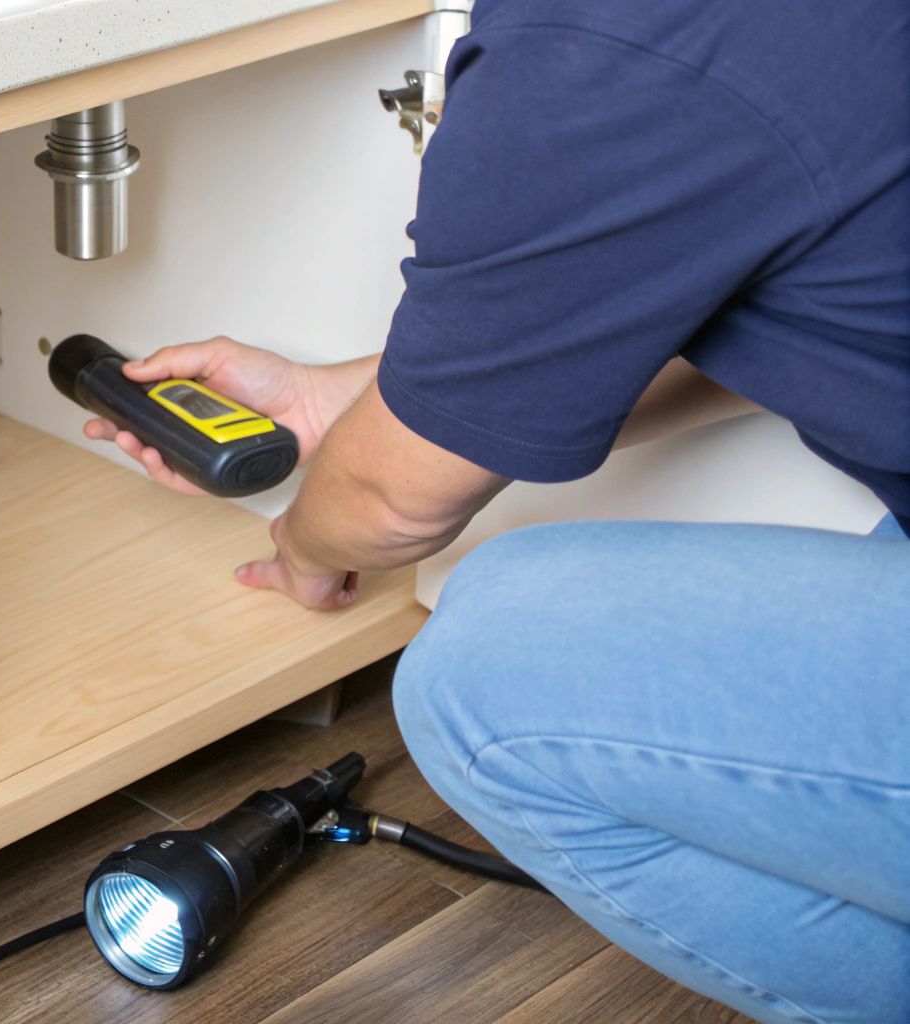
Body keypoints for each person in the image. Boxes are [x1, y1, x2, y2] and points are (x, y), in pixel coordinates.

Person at [82, 1, 909, 1020]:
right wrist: (364, 399)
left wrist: (302, 541)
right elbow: (754, 313)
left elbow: (387, 502)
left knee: (476, 682)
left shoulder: (597, 51)